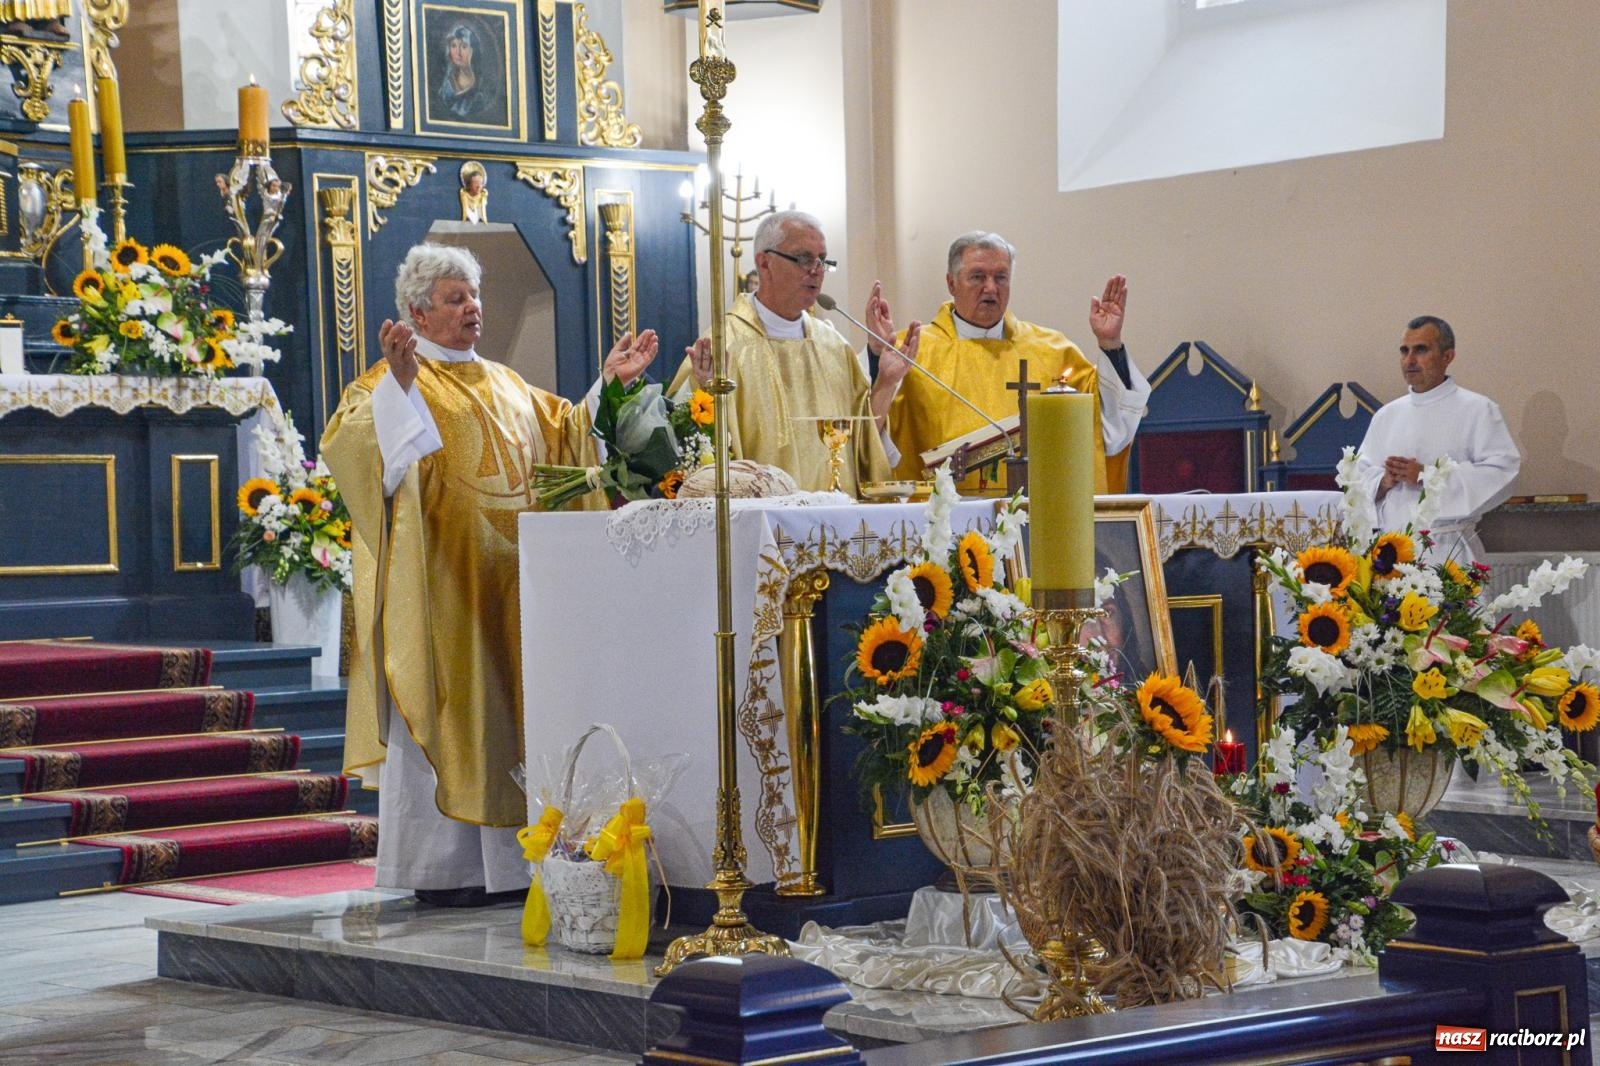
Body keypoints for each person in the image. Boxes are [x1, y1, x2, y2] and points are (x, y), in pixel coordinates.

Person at [321, 244, 659, 906]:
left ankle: (515, 867)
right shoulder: (382, 385)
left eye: (473, 296)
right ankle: (443, 871)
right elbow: (371, 469)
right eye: (454, 298)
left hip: (516, 587)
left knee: (518, 713)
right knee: (456, 708)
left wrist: (610, 383)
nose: (471, 307)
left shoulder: (507, 383)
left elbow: (569, 440)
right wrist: (399, 386)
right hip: (444, 588)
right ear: (417, 312)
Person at [876, 232, 1151, 495]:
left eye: (1001, 278)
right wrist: (884, 380)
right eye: (978, 277)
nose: (991, 288)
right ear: (951, 283)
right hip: (939, 523)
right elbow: (869, 435)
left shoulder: (1051, 351)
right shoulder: (910, 351)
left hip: (1036, 516)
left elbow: (1109, 425)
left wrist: (1110, 344)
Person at [670, 210, 916, 494]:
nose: (817, 270)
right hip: (761, 528)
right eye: (803, 259)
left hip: (834, 528)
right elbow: (690, 449)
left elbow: (863, 447)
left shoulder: (833, 346)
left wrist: (885, 381)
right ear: (764, 263)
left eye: (823, 260)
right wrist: (704, 388)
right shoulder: (723, 345)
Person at [1353, 315, 1520, 563]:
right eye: (1404, 351)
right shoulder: (1386, 415)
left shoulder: (1477, 410)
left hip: (1448, 550)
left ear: (1447, 357)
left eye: (1420, 350)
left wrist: (1426, 477)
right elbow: (1356, 482)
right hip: (1393, 555)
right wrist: (1383, 482)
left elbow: (1502, 473)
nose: (1409, 360)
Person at [435, 24, 498, 124]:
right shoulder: (445, 87)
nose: (457, 52)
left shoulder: (482, 91)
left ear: (473, 51)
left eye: (463, 46)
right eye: (453, 46)